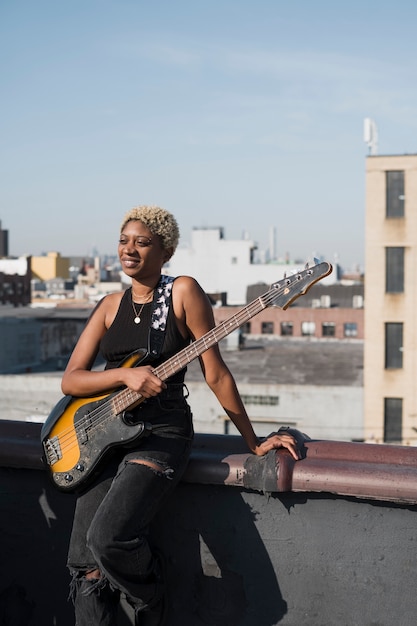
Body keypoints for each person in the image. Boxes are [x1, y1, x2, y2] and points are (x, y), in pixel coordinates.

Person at [62, 205, 300, 626]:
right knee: (85, 563)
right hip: (103, 433)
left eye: (142, 242)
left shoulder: (183, 291)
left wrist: (253, 442)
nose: (129, 249)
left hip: (161, 430)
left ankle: (151, 602)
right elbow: (72, 381)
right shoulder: (107, 306)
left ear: (166, 251)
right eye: (124, 240)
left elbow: (216, 373)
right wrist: (125, 375)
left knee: (108, 539)